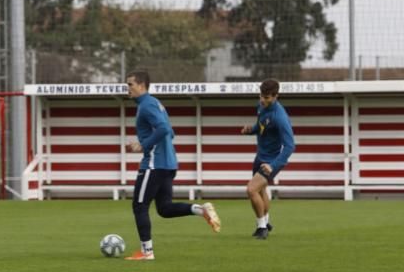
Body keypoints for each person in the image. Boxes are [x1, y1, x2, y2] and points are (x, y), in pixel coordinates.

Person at [125, 70, 221, 261]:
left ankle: (147, 252)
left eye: (130, 84)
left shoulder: (146, 105)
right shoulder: (156, 104)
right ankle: (201, 210)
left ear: (142, 86)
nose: (127, 88)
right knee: (165, 209)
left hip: (154, 165)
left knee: (139, 206)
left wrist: (143, 144)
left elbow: (165, 129)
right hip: (168, 164)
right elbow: (171, 132)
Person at [241, 78, 295, 240]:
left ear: (276, 96)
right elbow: (262, 126)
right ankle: (266, 221)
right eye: (261, 96)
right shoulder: (261, 107)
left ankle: (262, 228)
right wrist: (251, 130)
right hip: (260, 155)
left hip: (271, 161)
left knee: (251, 190)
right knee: (260, 190)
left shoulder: (280, 117)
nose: (263, 100)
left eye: (267, 98)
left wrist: (274, 165)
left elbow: (290, 146)